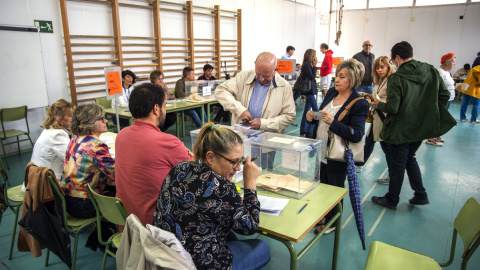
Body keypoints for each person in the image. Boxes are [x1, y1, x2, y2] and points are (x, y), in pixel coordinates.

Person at [153, 123, 270, 270]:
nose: (239, 168)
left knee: (231, 236)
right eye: (234, 162)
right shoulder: (221, 188)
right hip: (198, 264)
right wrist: (250, 183)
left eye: (240, 161)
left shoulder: (179, 168)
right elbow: (251, 227)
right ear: (210, 157)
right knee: (262, 247)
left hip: (167, 255)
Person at [370, 41, 456, 210]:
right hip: (421, 127)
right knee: (410, 159)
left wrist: (377, 104)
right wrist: (426, 110)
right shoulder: (430, 70)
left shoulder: (397, 78)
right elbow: (445, 95)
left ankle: (391, 199)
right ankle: (420, 194)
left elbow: (393, 108)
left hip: (401, 129)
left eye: (393, 61)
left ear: (397, 58)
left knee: (397, 165)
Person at [115, 83, 193, 227]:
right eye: (164, 106)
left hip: (128, 224)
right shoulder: (166, 141)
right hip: (157, 227)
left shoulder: (121, 135)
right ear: (156, 109)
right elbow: (199, 171)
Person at [306, 58, 368, 234]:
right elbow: (323, 118)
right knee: (322, 185)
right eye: (337, 76)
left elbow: (356, 134)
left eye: (342, 77)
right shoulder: (332, 92)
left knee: (334, 189)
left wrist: (333, 122)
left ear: (353, 80)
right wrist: (313, 118)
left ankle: (333, 222)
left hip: (337, 155)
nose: (337, 80)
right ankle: (325, 215)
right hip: (322, 150)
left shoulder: (359, 103)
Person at [215, 52, 296, 170]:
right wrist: (239, 109)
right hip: (240, 139)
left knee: (262, 175)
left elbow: (289, 116)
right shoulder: (243, 77)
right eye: (258, 74)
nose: (261, 78)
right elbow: (220, 90)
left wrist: (263, 123)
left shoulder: (284, 87)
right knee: (236, 173)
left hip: (266, 143)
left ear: (275, 70)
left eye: (266, 76)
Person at [61, 104, 115, 219]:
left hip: (69, 200)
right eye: (101, 119)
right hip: (85, 205)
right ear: (90, 122)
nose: (106, 121)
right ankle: (107, 232)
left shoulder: (75, 138)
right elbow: (116, 174)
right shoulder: (96, 145)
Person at [356, 56, 395, 183]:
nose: (379, 70)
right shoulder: (378, 80)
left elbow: (392, 102)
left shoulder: (392, 81)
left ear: (389, 67)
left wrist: (376, 102)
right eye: (377, 68)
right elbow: (375, 97)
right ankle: (359, 165)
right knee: (369, 141)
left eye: (382, 67)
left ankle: (392, 175)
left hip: (385, 119)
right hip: (376, 118)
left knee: (387, 148)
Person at [22, 99, 75, 192]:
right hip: (46, 185)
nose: (74, 118)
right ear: (60, 118)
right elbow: (72, 160)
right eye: (70, 116)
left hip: (37, 179)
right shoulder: (57, 135)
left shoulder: (50, 129)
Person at [426, 53, 456, 146]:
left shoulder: (447, 72)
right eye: (453, 62)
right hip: (441, 100)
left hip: (448, 99)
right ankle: (430, 138)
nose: (454, 64)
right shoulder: (439, 72)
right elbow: (436, 87)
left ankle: (436, 134)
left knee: (441, 118)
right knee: (436, 118)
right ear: (447, 63)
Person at [298, 49, 319, 138]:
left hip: (310, 90)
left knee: (307, 110)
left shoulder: (307, 65)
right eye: (314, 55)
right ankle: (310, 130)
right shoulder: (307, 65)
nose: (315, 57)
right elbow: (311, 77)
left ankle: (303, 129)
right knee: (316, 111)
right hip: (309, 91)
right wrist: (314, 67)